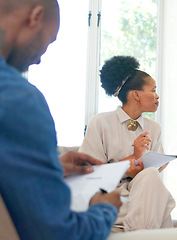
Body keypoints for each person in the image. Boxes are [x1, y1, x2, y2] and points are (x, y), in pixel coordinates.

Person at [0, 0, 122, 239]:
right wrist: (104, 209)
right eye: (46, 44)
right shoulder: (19, 98)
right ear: (35, 17)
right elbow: (57, 233)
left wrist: (50, 166)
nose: (38, 60)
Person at [79, 55, 176, 232]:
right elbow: (89, 174)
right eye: (153, 90)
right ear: (136, 95)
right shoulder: (101, 123)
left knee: (151, 176)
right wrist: (132, 158)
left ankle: (139, 233)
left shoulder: (154, 128)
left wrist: (159, 163)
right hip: (112, 197)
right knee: (155, 195)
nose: (157, 95)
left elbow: (150, 172)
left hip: (144, 194)